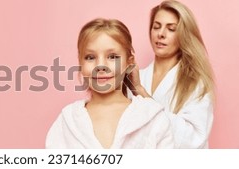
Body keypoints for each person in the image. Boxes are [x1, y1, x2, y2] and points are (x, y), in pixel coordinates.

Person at [46, 18, 174, 149]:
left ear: (129, 63)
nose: (101, 66)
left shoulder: (152, 117)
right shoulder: (67, 121)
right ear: (81, 64)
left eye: (112, 57)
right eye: (90, 57)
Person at [128, 0, 215, 148]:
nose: (161, 34)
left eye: (171, 29)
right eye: (156, 27)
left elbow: (194, 138)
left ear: (183, 35)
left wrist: (141, 92)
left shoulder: (195, 82)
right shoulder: (137, 78)